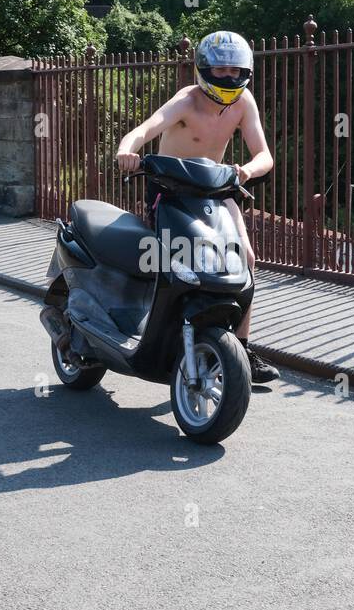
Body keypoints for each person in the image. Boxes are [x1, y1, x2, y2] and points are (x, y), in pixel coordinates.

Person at [115, 30, 280, 384]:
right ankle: (158, 328)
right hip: (171, 190)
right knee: (169, 259)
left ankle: (241, 347)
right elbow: (143, 131)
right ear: (203, 69)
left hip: (216, 188)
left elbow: (264, 155)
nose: (229, 77)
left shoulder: (243, 101)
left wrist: (246, 172)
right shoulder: (186, 101)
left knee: (245, 259)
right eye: (220, 70)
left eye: (236, 71)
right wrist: (126, 152)